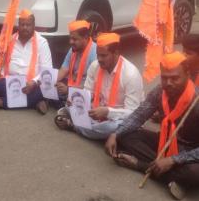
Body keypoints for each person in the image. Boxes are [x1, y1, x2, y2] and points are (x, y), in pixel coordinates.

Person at [105, 52, 199, 200]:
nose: (168, 83)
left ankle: (141, 166)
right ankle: (170, 176)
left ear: (187, 74)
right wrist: (116, 134)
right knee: (127, 136)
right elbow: (139, 115)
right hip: (165, 142)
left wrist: (174, 160)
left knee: (194, 173)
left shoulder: (197, 100)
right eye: (164, 77)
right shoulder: (160, 91)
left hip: (191, 153)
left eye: (174, 78)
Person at [55, 32, 144, 139]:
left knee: (112, 127)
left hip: (118, 117)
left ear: (116, 53)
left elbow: (132, 113)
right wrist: (78, 99)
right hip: (96, 112)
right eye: (98, 55)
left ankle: (74, 126)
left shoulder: (131, 74)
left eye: (104, 55)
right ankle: (89, 128)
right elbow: (88, 93)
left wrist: (108, 112)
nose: (100, 59)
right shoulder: (95, 66)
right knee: (70, 106)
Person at [0, 9, 53, 114]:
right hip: (12, 83)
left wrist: (34, 82)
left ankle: (2, 102)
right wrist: (1, 74)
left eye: (28, 25)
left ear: (34, 25)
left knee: (44, 88)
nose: (25, 27)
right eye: (22, 24)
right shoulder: (10, 40)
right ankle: (34, 102)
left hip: (33, 84)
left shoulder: (42, 42)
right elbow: (4, 64)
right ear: (18, 25)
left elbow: (47, 71)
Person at [55, 20, 97, 107]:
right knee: (49, 89)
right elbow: (64, 69)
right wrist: (53, 82)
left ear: (85, 37)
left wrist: (69, 90)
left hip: (86, 89)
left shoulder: (95, 53)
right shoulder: (73, 49)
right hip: (71, 85)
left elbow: (92, 85)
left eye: (74, 39)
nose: (71, 42)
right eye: (70, 38)